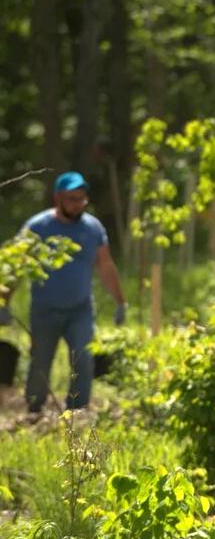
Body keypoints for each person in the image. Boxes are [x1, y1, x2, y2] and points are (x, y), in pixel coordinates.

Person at [0, 172, 126, 413]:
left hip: (80, 310)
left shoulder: (92, 228)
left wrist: (121, 301)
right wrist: (3, 301)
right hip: (44, 311)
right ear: (58, 197)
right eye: (72, 198)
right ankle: (34, 410)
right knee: (40, 362)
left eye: (82, 199)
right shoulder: (38, 227)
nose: (78, 204)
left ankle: (77, 413)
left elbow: (106, 265)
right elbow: (15, 266)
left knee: (83, 361)